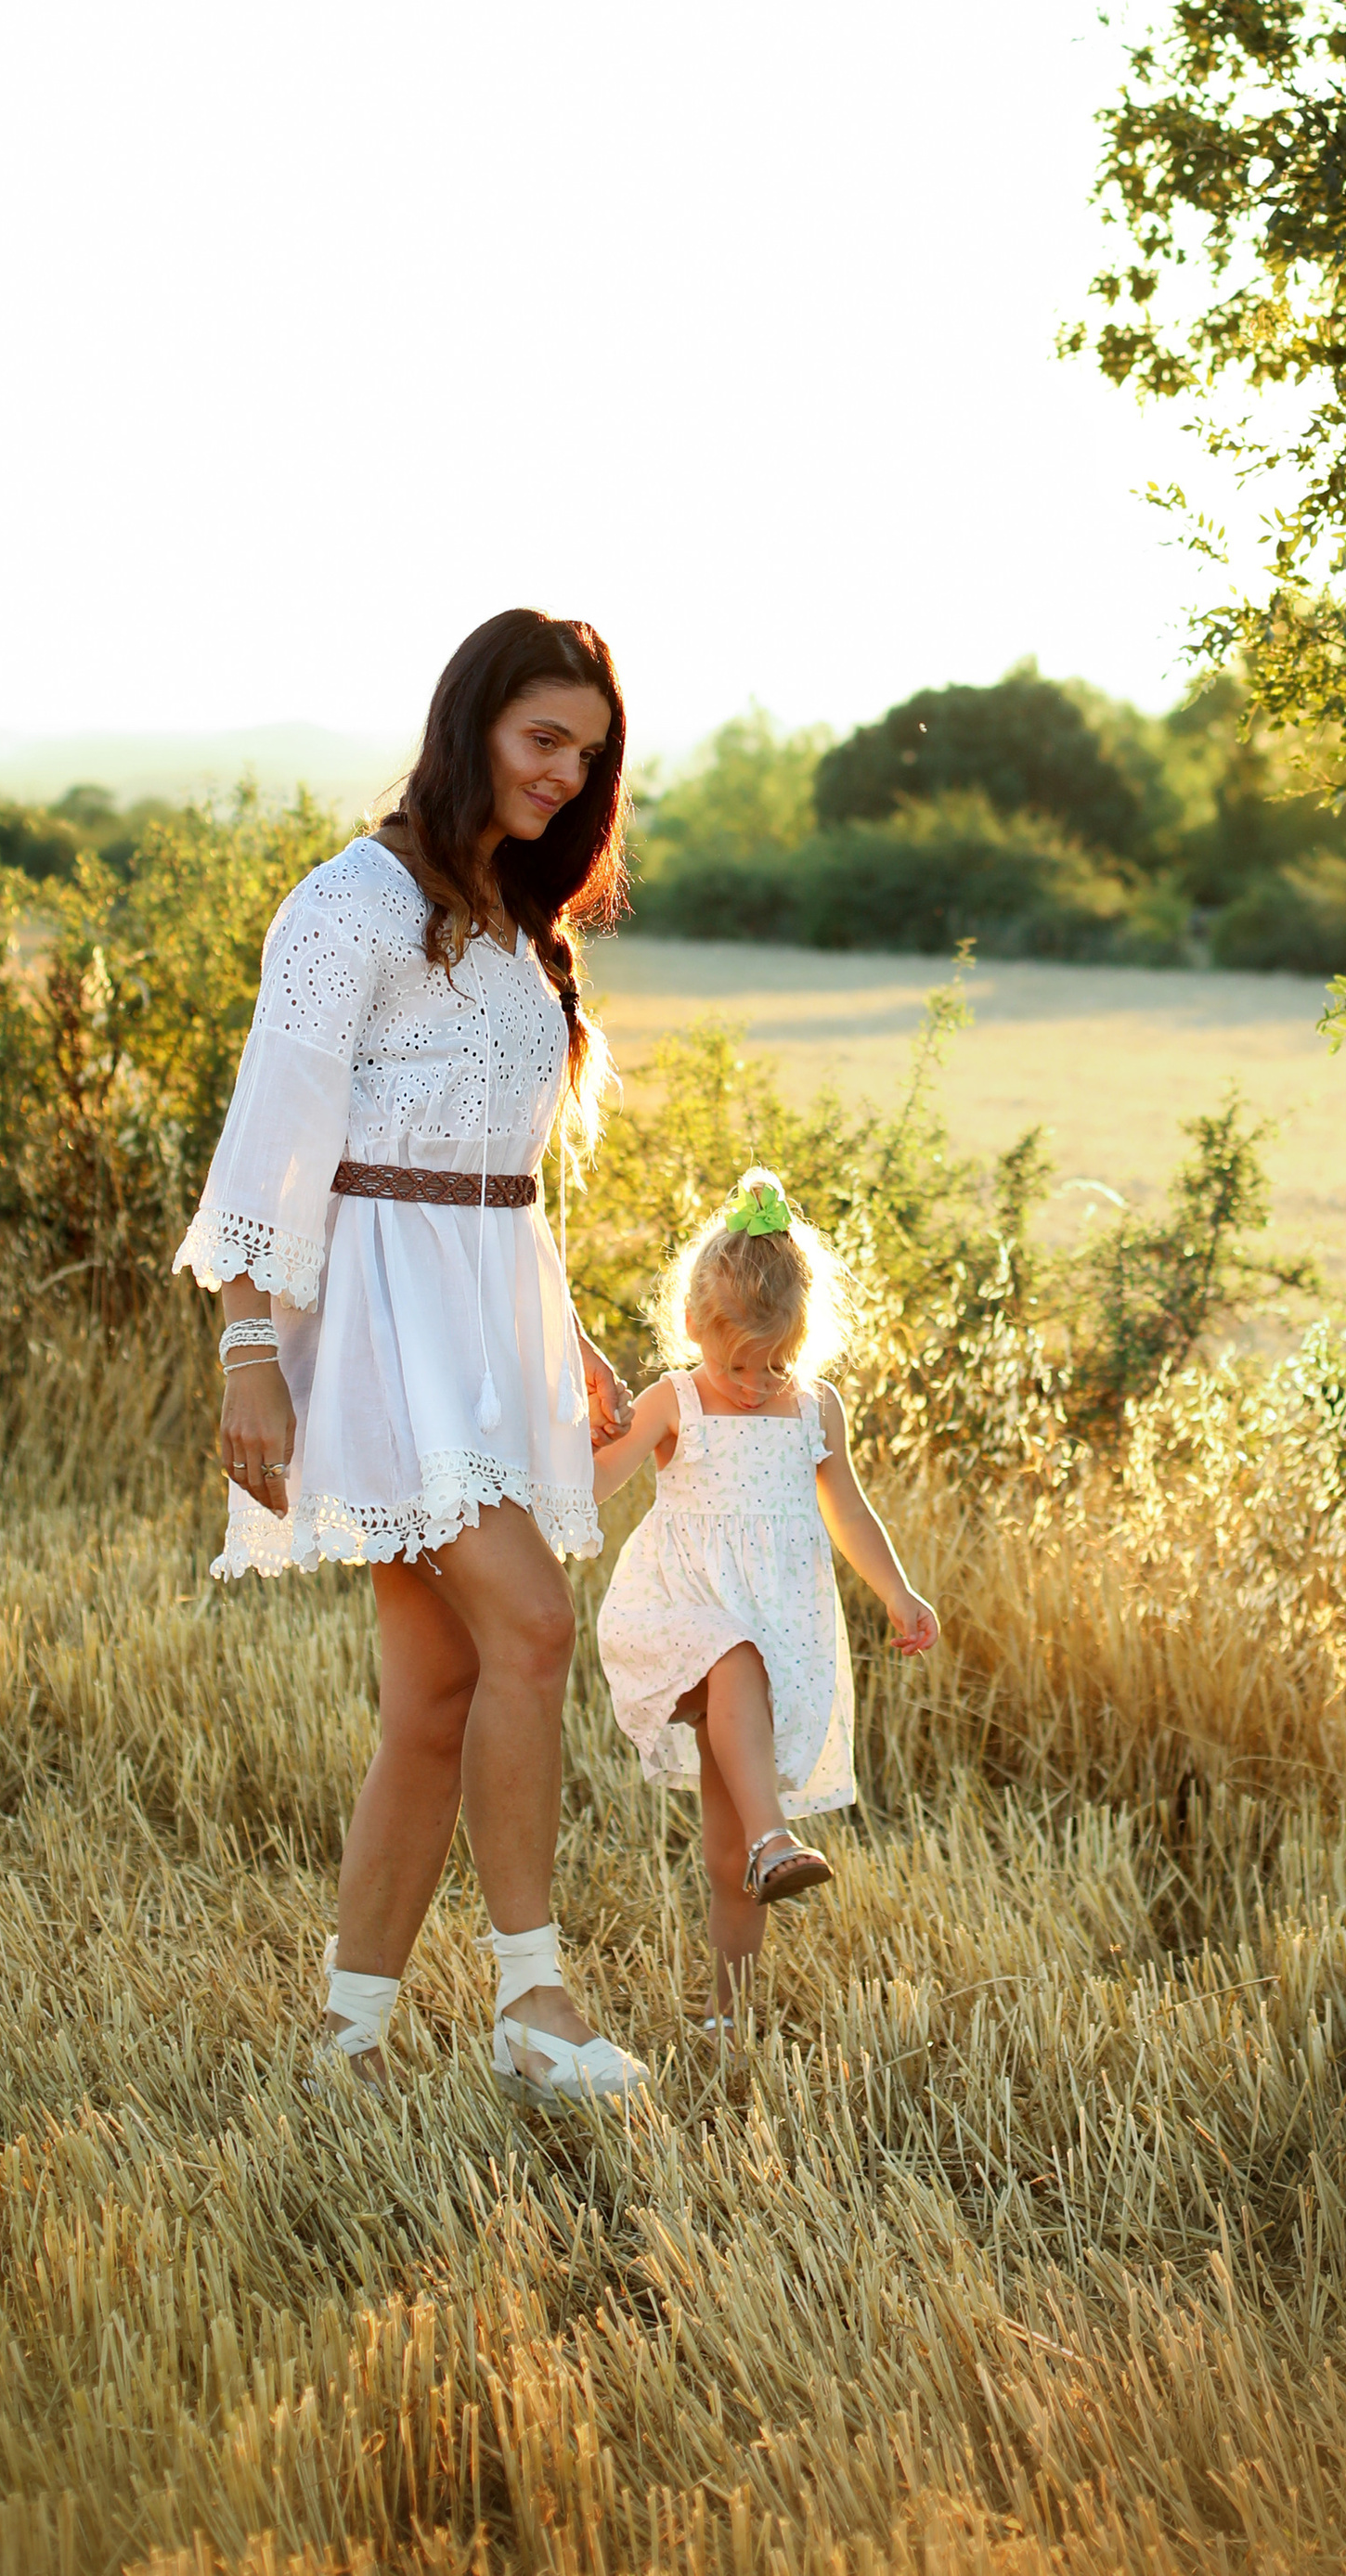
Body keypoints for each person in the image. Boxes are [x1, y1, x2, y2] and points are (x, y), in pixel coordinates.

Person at [180, 607, 648, 2106]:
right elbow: (276, 1144)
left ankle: (346, 2036)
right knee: (531, 1632)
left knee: (438, 1698)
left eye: (589, 753)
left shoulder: (514, 922)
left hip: (488, 1322)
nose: (567, 776)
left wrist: (566, 1336)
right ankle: (536, 2008)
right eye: (542, 740)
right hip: (382, 1328)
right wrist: (250, 1352)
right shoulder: (355, 903)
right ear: (471, 727)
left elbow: (487, 1164)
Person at [592, 1168, 938, 2032]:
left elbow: (847, 1511)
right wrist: (565, 1439)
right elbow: (595, 1484)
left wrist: (897, 1593)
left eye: (774, 1361)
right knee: (728, 1654)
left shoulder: (815, 1409)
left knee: (726, 1847)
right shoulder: (675, 1400)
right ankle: (780, 1838)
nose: (754, 1381)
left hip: (782, 1625)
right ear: (694, 1329)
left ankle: (731, 2011)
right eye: (737, 1362)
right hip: (682, 1610)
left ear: (804, 1341)